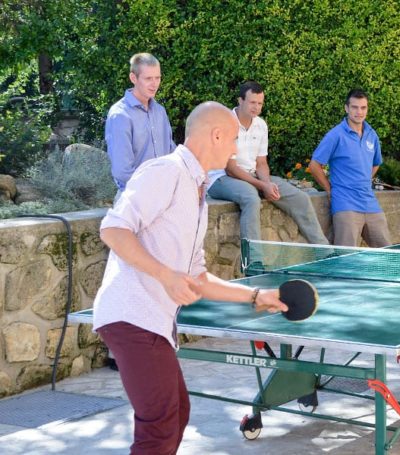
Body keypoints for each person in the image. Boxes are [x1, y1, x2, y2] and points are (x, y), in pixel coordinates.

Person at [93, 101, 288, 454]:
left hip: (153, 322)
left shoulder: (197, 192)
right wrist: (166, 275)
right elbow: (114, 229)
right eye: (233, 139)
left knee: (177, 413)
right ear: (216, 135)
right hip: (131, 316)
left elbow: (198, 277)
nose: (234, 150)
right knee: (161, 424)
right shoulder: (164, 171)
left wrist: (255, 296)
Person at [207, 81, 328, 244]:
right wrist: (262, 186)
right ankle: (253, 258)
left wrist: (267, 184)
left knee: (301, 198)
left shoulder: (261, 125)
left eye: (260, 103)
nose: (256, 107)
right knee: (251, 198)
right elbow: (231, 169)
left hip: (251, 175)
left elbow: (261, 163)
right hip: (221, 178)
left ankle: (325, 251)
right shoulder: (225, 123)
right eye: (252, 102)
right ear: (240, 100)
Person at [309, 89, 391, 247]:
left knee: (388, 253)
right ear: (346, 108)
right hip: (345, 204)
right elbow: (314, 166)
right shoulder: (335, 135)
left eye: (363, 107)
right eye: (354, 107)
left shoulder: (372, 134)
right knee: (346, 256)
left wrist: (365, 180)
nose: (359, 112)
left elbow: (376, 163)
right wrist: (329, 190)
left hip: (370, 202)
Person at [105, 53, 176, 196]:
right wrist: (152, 191)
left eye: (157, 78)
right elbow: (122, 171)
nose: (154, 84)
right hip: (135, 198)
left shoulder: (160, 111)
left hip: (163, 195)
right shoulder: (120, 115)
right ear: (133, 78)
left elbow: (171, 154)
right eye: (148, 78)